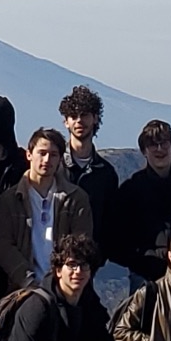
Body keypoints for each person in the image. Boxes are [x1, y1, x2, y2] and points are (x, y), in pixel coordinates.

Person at [0, 128, 95, 295]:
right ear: (29, 154)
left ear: (60, 159)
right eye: (42, 153)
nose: (47, 160)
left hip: (65, 291)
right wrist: (27, 280)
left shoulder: (76, 198)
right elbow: (3, 246)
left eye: (53, 155)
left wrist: (62, 282)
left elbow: (81, 244)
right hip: (22, 291)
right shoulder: (9, 200)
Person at [112, 120, 171, 284]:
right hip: (144, 276)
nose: (159, 149)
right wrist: (140, 260)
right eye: (152, 145)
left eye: (164, 143)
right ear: (144, 150)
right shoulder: (130, 190)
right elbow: (117, 238)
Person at [60, 84, 120, 252]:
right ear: (66, 122)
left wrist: (98, 256)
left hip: (90, 261)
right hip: (53, 258)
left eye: (84, 115)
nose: (79, 121)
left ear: (95, 118)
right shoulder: (54, 167)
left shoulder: (106, 174)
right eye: (73, 116)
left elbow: (110, 223)